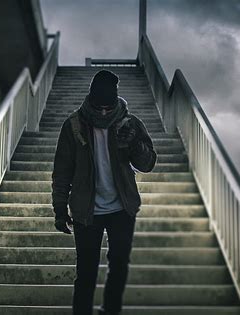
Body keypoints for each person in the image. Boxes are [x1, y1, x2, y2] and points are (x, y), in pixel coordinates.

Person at [51, 69, 157, 315]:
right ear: (91, 100)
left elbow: (148, 164)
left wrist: (133, 144)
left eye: (107, 109)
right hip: (87, 211)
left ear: (115, 102)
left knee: (119, 268)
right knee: (86, 273)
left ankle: (110, 311)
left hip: (122, 209)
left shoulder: (129, 123)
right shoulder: (74, 125)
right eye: (99, 109)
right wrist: (59, 209)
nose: (103, 114)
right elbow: (62, 170)